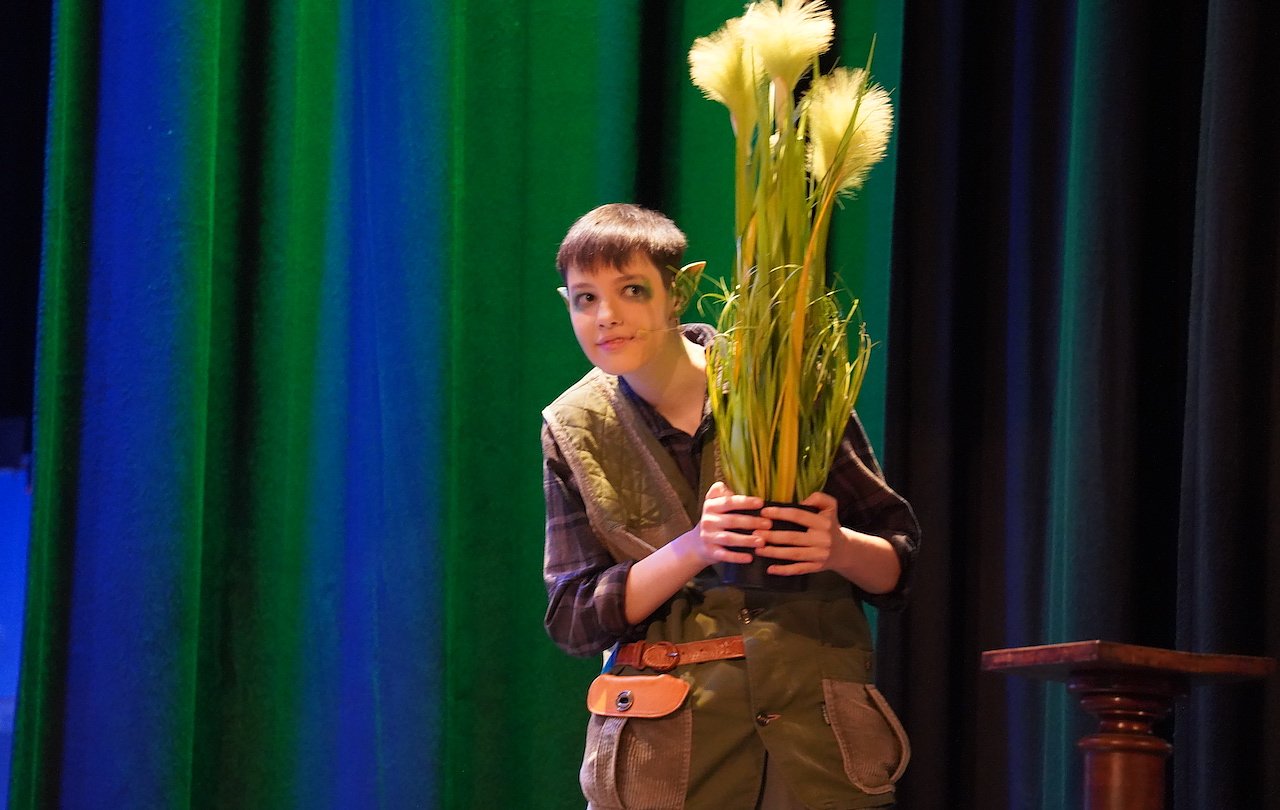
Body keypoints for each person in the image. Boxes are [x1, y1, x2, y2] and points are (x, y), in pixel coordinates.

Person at [542, 202, 921, 810]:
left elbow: (898, 565)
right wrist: (694, 548)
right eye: (586, 298)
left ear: (678, 291)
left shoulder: (785, 387)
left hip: (816, 751)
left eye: (632, 290)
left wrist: (840, 547)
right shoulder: (573, 427)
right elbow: (574, 619)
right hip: (664, 761)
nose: (606, 316)